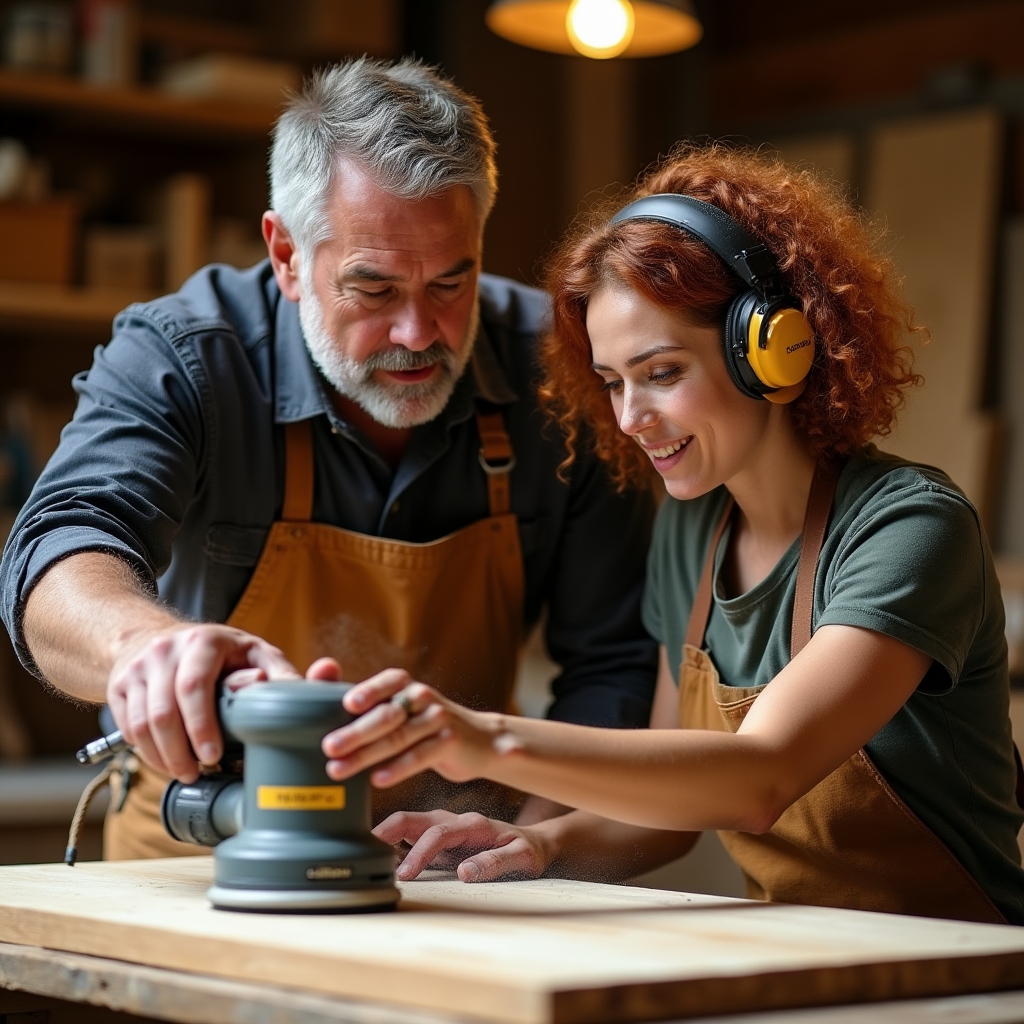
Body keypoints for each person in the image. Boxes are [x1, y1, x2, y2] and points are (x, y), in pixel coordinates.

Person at [319, 144, 1024, 925]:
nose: (630, 418)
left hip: (960, 958)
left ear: (770, 351)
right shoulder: (692, 531)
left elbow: (758, 776)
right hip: (812, 951)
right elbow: (669, 809)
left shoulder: (909, 528)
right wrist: (540, 842)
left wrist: (484, 740)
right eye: (612, 382)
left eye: (661, 373)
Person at [0, 58, 658, 859]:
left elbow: (614, 665)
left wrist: (530, 842)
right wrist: (140, 648)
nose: (417, 333)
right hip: (201, 861)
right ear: (286, 255)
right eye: (374, 290)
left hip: (456, 872)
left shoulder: (556, 369)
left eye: (451, 284)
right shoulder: (185, 356)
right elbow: (60, 547)